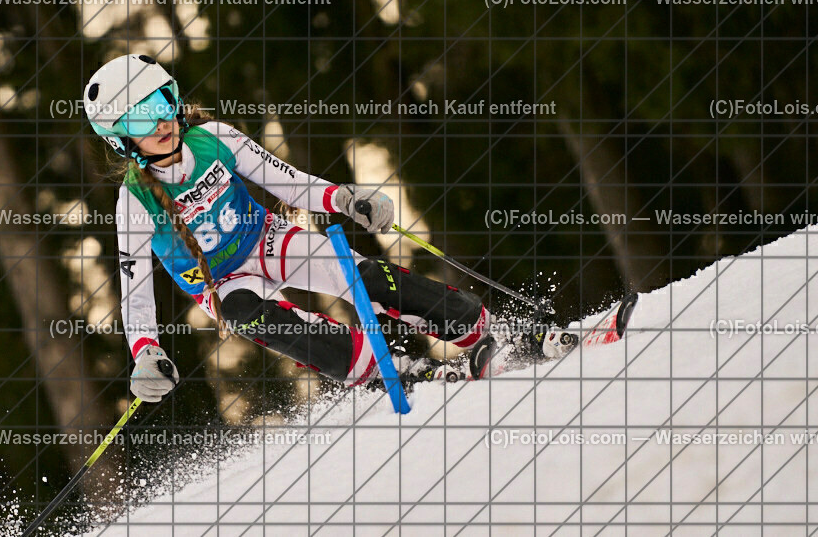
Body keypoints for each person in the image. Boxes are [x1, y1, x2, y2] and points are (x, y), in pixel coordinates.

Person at [84, 54, 503, 403]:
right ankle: (384, 370)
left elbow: (287, 181)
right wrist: (145, 352)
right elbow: (135, 291)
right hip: (221, 282)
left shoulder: (213, 138)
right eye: (140, 120)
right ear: (120, 139)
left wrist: (344, 199)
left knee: (362, 278)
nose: (160, 123)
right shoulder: (133, 202)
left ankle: (479, 329)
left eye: (161, 103)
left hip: (265, 239)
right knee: (245, 312)